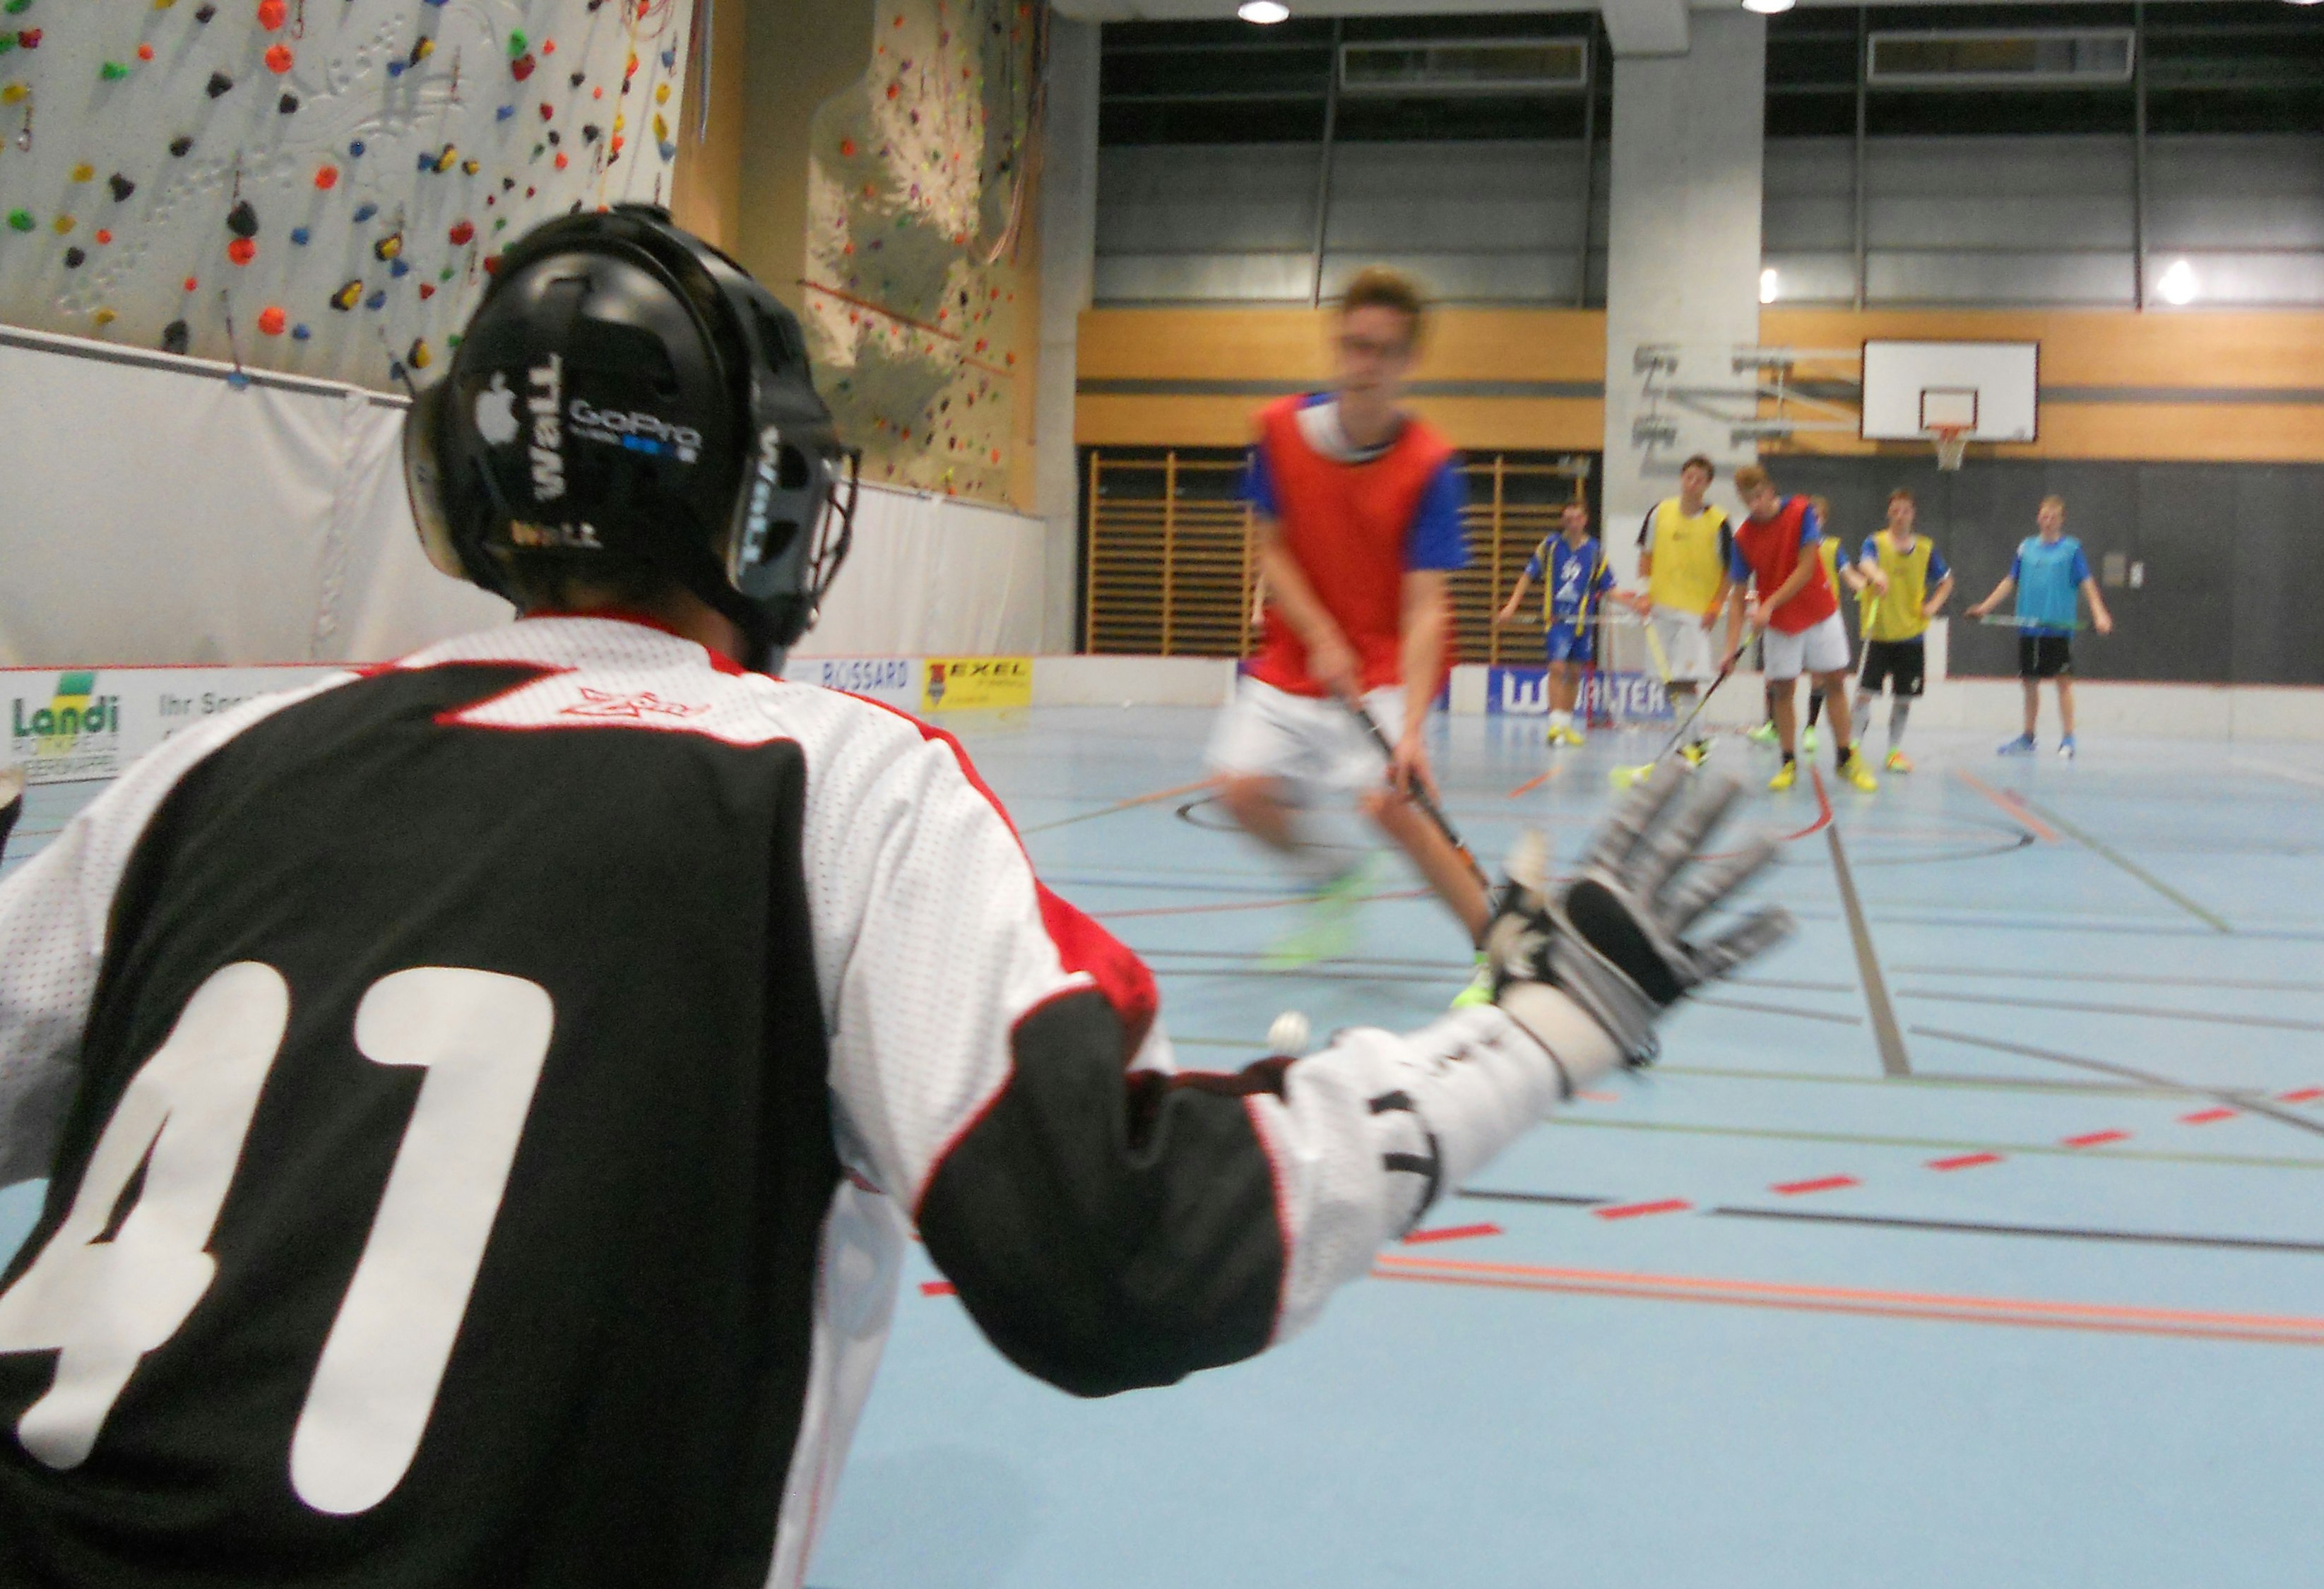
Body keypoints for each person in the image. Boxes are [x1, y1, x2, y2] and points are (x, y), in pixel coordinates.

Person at [0, 208, 1794, 1584]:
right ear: (770, 502)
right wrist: (1548, 1027)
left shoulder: (209, 768)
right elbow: (1122, 1251)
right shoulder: (833, 784)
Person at [1211, 267, 1482, 966]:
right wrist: (1322, 635)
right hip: (1295, 665)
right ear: (1338, 344)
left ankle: (1496, 947)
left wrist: (1414, 729)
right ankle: (1333, 877)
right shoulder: (1278, 431)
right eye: (1355, 346)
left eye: (1384, 352)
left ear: (1408, 363)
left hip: (1386, 669)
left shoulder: (1431, 467)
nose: (1366, 365)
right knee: (1237, 791)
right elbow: (1270, 550)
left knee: (1396, 805)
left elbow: (1426, 609)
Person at [1719, 463, 1875, 793]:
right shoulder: (1744, 538)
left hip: (1819, 612)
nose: (1755, 505)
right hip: (1780, 626)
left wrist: (1769, 604)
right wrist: (1729, 649)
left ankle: (1846, 759)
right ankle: (1788, 762)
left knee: (1834, 683)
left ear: (1770, 491)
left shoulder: (1801, 511)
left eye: (1759, 496)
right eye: (1748, 500)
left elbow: (1806, 568)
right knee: (1783, 690)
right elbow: (1735, 599)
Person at [1967, 494, 2112, 757]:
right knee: (2029, 683)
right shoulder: (2026, 548)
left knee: (2063, 682)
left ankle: (2068, 738)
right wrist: (1984, 607)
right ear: (2038, 518)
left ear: (2061, 520)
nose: (2047, 521)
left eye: (2053, 517)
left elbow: (2087, 584)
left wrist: (2100, 613)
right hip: (2028, 626)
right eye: (2044, 516)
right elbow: (2010, 581)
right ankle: (2028, 737)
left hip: (2056, 627)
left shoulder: (2071, 550)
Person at [1630, 456, 1733, 764]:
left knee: (1687, 678)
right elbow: (1646, 557)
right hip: (1660, 609)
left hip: (1695, 613)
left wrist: (1716, 605)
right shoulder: (1660, 513)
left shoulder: (1719, 521)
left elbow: (1731, 570)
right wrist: (1643, 594)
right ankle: (1694, 740)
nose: (1693, 483)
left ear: (1707, 484)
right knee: (1670, 680)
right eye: (1688, 476)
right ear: (1681, 478)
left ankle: (1695, 742)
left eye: (1700, 479)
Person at [1849, 489, 1955, 773]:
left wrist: (1932, 606)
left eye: (1905, 510)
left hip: (1911, 635)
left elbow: (1946, 581)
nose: (1900, 516)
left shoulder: (1925, 549)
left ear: (1913, 513)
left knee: (1904, 698)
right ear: (1888, 513)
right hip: (1880, 633)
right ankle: (1853, 749)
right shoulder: (1876, 542)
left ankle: (1894, 751)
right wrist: (1876, 574)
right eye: (1895, 510)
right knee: (1863, 694)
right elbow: (1865, 562)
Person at [1495, 501, 1616, 747]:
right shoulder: (1550, 546)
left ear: (1585, 520)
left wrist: (1635, 604)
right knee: (1557, 668)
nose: (1572, 523)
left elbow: (1610, 588)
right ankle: (1554, 726)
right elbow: (1528, 576)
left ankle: (1566, 725)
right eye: (1568, 519)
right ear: (1563, 521)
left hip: (1582, 623)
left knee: (1574, 673)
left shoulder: (1595, 551)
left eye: (1577, 518)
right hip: (1557, 620)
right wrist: (1511, 606)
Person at [1794, 497, 1863, 759]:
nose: (1814, 521)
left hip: (1823, 617)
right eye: (1810, 516)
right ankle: (1773, 726)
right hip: (1795, 613)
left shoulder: (1833, 547)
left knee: (1819, 676)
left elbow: (1849, 575)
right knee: (1778, 676)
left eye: (1819, 517)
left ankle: (1810, 729)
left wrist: (1864, 587)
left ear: (1824, 520)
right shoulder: (1794, 546)